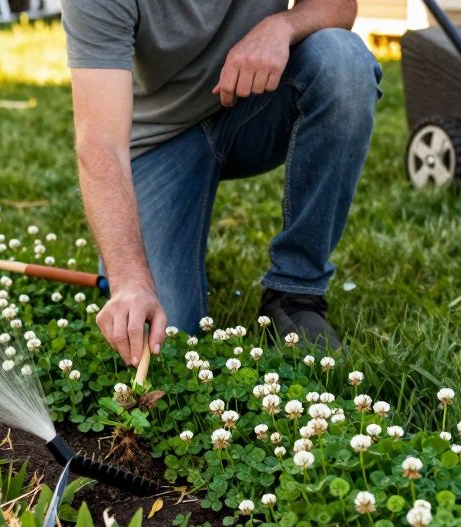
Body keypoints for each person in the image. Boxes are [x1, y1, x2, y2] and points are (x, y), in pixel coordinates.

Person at [62, 0, 382, 365]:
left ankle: (296, 291)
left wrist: (282, 25)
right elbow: (101, 145)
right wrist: (130, 281)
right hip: (156, 142)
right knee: (166, 342)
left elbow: (338, 5)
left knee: (343, 62)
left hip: (254, 105)